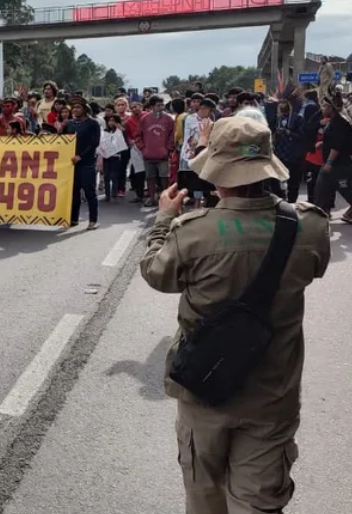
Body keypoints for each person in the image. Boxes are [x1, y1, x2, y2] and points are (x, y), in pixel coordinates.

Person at [140, 116, 331, 514]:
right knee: (259, 502)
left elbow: (157, 275)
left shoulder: (192, 232)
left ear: (216, 172)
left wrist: (162, 220)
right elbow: (315, 269)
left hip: (204, 390)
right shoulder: (310, 227)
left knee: (204, 495)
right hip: (272, 393)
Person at [313, 95, 352, 234]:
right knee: (320, 194)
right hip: (330, 166)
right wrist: (323, 144)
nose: (322, 108)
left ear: (332, 108)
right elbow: (334, 141)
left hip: (340, 166)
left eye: (325, 106)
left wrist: (329, 162)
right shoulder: (333, 121)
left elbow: (337, 146)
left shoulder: (340, 122)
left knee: (350, 196)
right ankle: (318, 225)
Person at [64, 100, 100, 229]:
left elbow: (94, 143)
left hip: (87, 163)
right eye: (74, 108)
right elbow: (61, 140)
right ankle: (74, 218)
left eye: (78, 107)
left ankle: (93, 220)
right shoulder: (69, 124)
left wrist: (81, 156)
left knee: (89, 192)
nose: (75, 110)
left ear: (85, 109)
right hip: (71, 163)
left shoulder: (93, 124)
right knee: (74, 192)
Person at [136, 95, 174, 207]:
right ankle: (152, 198)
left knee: (164, 177)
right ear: (152, 106)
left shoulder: (168, 119)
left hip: (163, 156)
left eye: (162, 105)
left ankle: (165, 198)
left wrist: (168, 149)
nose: (161, 107)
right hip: (148, 155)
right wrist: (143, 148)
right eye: (158, 105)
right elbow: (138, 136)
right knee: (150, 177)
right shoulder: (145, 119)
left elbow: (172, 136)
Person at [97, 114, 128, 202]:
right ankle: (107, 195)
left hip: (116, 157)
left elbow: (124, 141)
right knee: (106, 176)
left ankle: (114, 194)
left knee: (114, 175)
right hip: (106, 156)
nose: (111, 123)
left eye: (113, 121)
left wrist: (120, 128)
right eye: (110, 120)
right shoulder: (105, 131)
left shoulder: (120, 132)